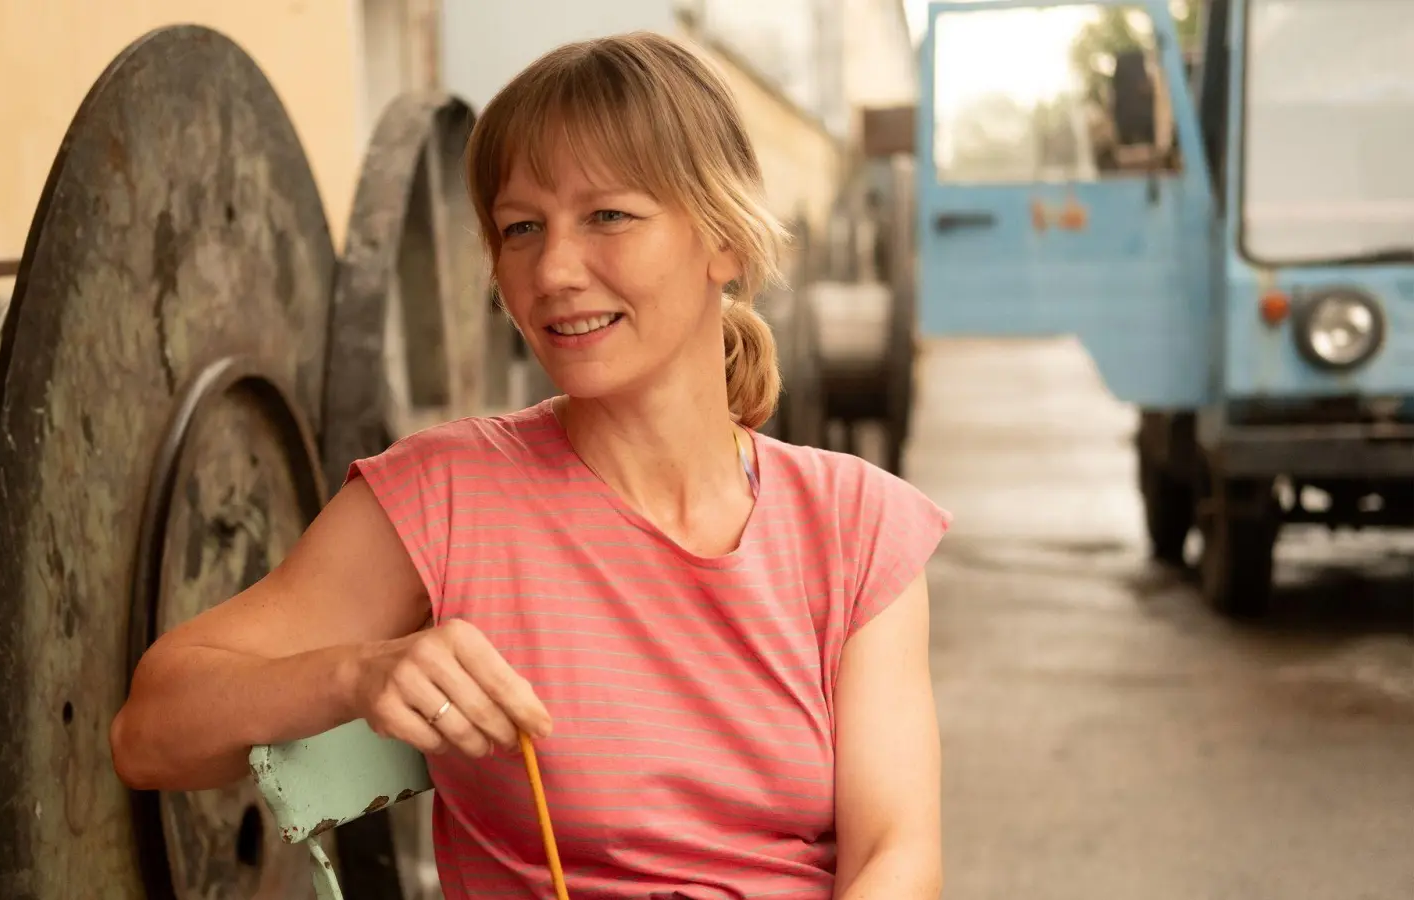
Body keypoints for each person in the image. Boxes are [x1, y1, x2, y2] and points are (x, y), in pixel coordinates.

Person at [111, 30, 951, 900]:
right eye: (520, 229)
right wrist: (359, 673)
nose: (552, 269)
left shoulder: (857, 525)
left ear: (724, 240)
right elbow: (149, 732)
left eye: (608, 216)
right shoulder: (448, 496)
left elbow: (896, 854)